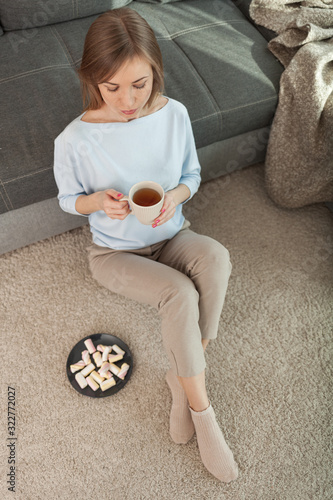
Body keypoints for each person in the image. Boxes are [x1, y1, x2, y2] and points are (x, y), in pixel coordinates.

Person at [53, 7, 238, 483]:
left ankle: (182, 379)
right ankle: (202, 409)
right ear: (91, 78)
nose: (128, 99)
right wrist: (97, 202)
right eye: (111, 86)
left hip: (171, 234)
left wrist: (175, 195)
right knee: (180, 293)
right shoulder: (73, 140)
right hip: (114, 254)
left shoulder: (173, 114)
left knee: (215, 257)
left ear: (155, 69)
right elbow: (68, 201)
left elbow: (191, 176)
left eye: (140, 83)